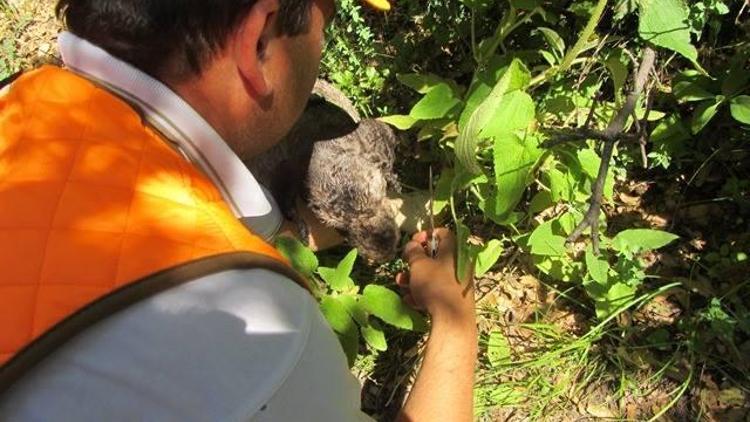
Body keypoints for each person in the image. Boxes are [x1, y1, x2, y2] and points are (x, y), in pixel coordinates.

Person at [0, 0, 478, 420]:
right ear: (260, 38)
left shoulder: (16, 102)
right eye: (325, 20)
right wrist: (457, 324)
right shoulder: (252, 326)